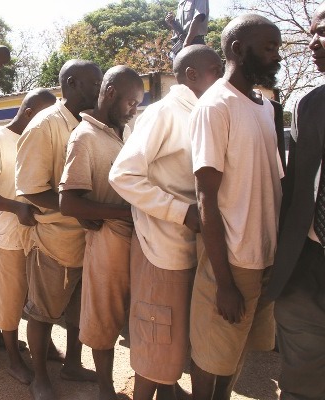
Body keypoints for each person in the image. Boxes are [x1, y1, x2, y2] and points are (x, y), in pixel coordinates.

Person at [109, 46, 222, 400]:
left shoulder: (208, 113)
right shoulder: (165, 113)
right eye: (216, 70)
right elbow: (123, 175)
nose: (223, 77)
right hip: (162, 250)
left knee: (178, 349)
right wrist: (182, 212)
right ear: (191, 75)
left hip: (196, 250)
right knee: (156, 350)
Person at [188, 15, 283, 400]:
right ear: (237, 50)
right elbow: (206, 195)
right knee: (212, 354)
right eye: (269, 48)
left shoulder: (265, 108)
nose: (277, 57)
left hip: (267, 256)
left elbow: (276, 182)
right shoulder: (216, 106)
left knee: (238, 351)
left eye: (278, 48)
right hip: (232, 260)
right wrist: (224, 282)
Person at [15, 59, 102, 400]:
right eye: (94, 83)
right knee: (43, 312)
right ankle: (40, 378)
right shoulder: (44, 126)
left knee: (79, 310)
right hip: (56, 239)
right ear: (71, 84)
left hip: (89, 237)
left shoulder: (92, 123)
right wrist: (77, 211)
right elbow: (31, 188)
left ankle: (73, 364)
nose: (99, 90)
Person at [57, 66, 143, 400]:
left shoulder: (128, 130)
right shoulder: (84, 137)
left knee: (141, 316)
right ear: (109, 94)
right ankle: (107, 390)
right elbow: (69, 202)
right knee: (103, 321)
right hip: (108, 241)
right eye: (131, 103)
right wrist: (124, 213)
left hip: (139, 240)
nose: (134, 110)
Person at [0, 88, 56, 383]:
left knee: (37, 294)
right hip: (7, 233)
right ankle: (13, 358)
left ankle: (41, 346)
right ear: (30, 114)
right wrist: (15, 208)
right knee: (9, 299)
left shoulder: (39, 140)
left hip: (38, 234)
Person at [267, 3, 325, 399]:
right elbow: (296, 188)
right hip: (308, 264)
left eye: (323, 32)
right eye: (311, 34)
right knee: (302, 381)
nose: (313, 42)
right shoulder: (310, 104)